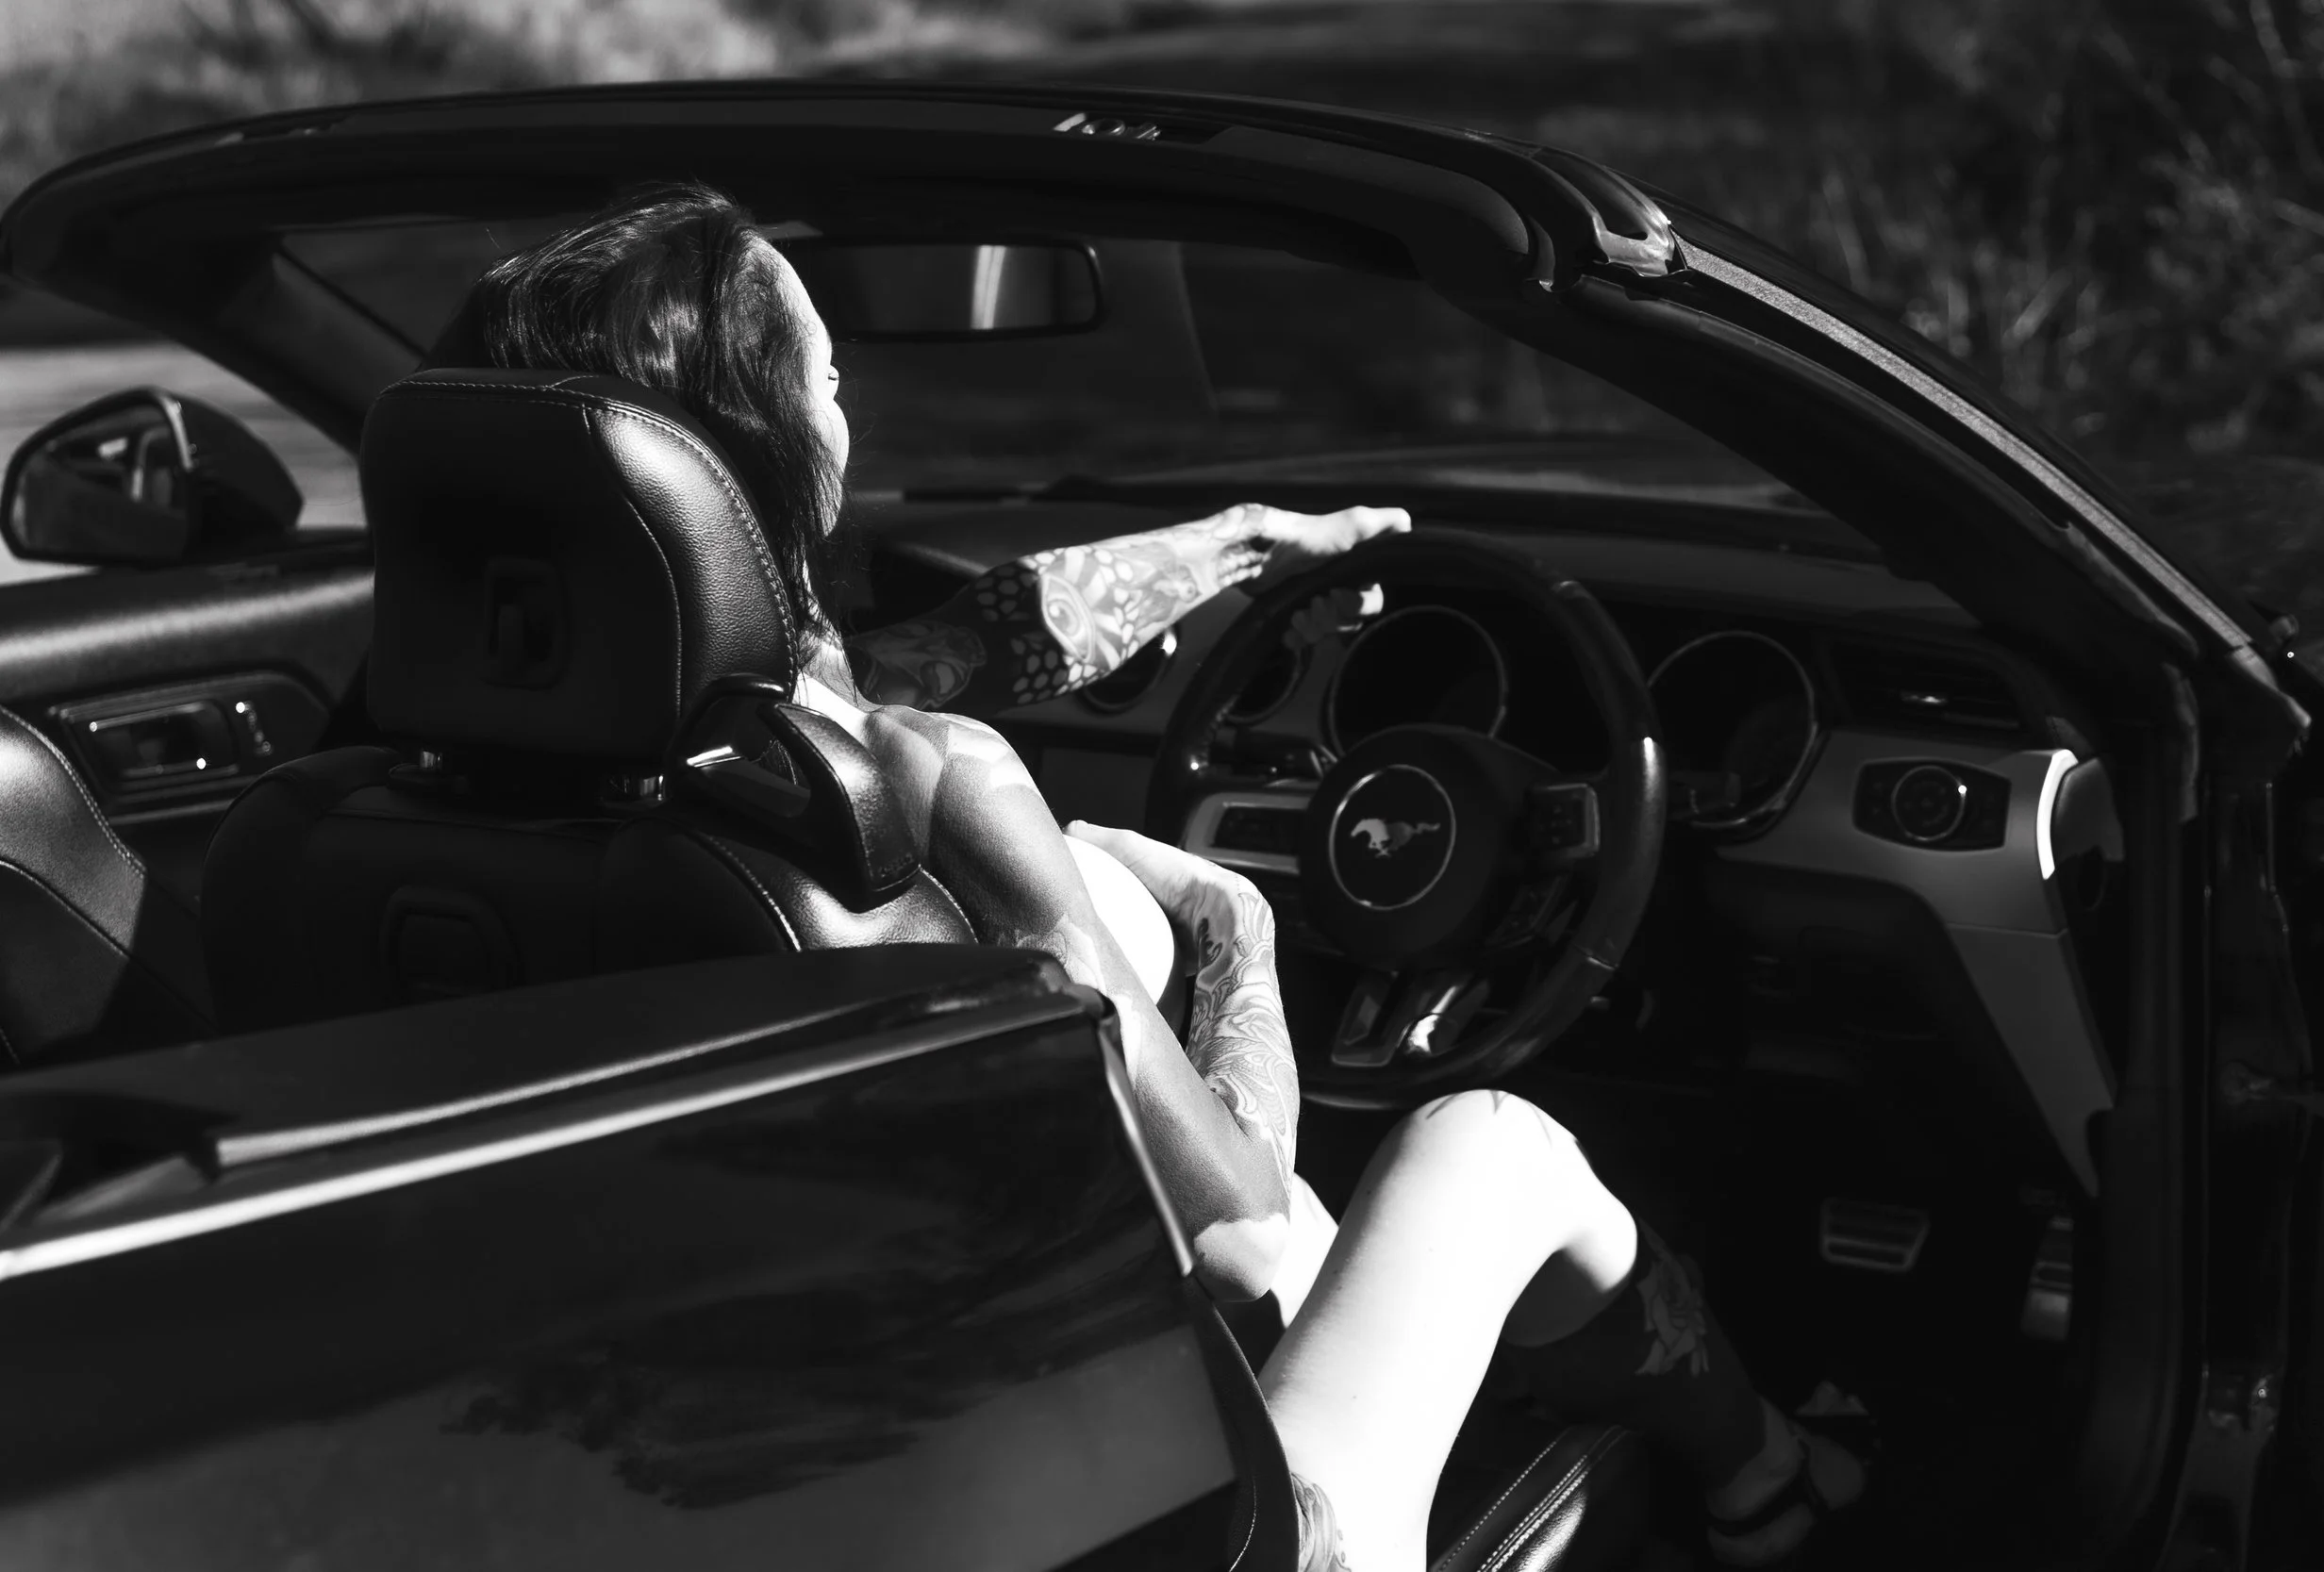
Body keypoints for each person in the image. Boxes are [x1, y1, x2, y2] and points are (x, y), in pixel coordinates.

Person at [433, 183, 1865, 1571]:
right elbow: (1240, 1241)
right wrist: (1235, 925)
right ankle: (1765, 1480)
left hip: (757, 1490)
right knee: (1491, 1144)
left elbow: (973, 644)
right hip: (1211, 1536)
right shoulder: (919, 793)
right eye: (828, 380)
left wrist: (1248, 544)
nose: (849, 408)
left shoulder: (412, 814)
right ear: (750, 457)